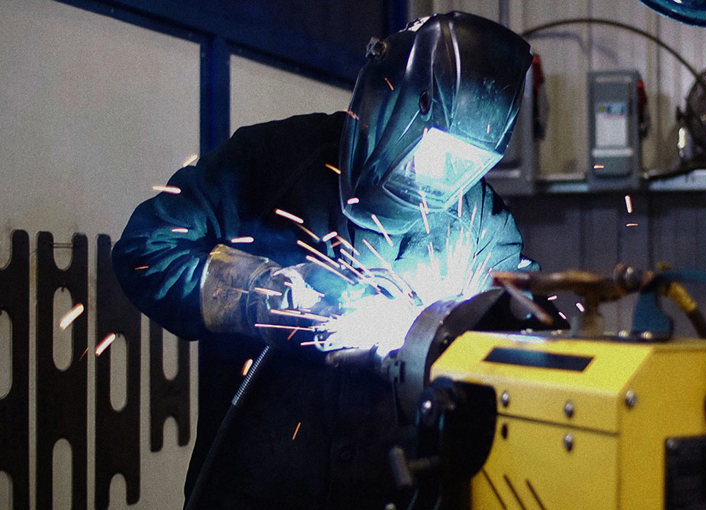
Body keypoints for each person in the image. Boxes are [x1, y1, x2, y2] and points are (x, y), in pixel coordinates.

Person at [113, 11, 535, 510]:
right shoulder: (272, 159)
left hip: (393, 493)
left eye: (463, 163)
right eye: (432, 152)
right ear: (388, 101)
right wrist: (257, 296)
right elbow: (146, 248)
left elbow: (513, 343)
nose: (436, 178)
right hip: (251, 490)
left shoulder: (482, 225)